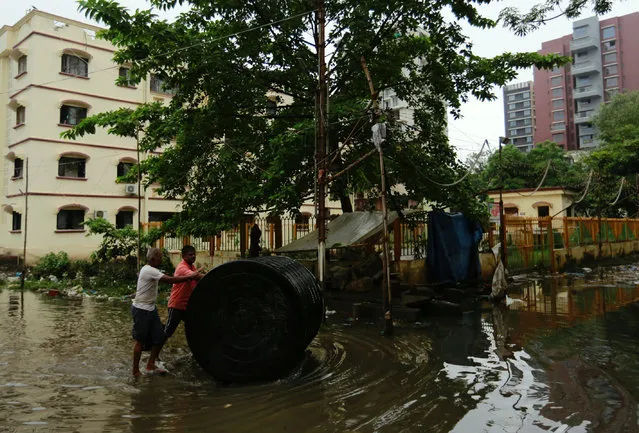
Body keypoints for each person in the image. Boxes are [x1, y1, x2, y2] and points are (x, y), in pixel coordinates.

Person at [131, 247, 199, 377]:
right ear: (153, 258)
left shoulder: (152, 270)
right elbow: (171, 280)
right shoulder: (148, 270)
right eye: (160, 257)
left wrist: (193, 275)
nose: (161, 259)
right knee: (140, 341)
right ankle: (135, 371)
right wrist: (191, 276)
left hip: (151, 308)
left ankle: (150, 365)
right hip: (141, 309)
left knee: (159, 337)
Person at [162, 245, 202, 345]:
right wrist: (212, 275)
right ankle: (154, 355)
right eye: (190, 255)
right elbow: (196, 276)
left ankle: (197, 351)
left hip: (186, 306)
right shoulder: (182, 268)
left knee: (195, 327)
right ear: (184, 256)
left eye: (194, 254)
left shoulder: (192, 266)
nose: (193, 256)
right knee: (168, 332)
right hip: (176, 306)